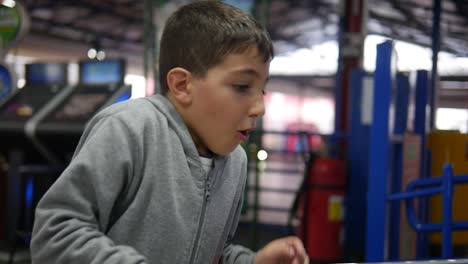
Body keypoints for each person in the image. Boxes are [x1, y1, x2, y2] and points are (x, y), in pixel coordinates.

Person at [31, 1, 309, 263]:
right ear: (181, 85)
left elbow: (213, 252)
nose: (260, 107)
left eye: (262, 89)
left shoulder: (235, 162)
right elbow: (56, 234)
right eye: (241, 86)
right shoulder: (130, 129)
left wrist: (253, 260)